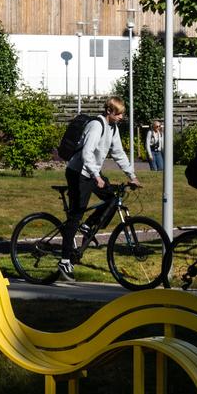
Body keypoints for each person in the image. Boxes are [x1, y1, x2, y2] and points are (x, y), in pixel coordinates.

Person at [59, 97, 142, 281]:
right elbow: (87, 153)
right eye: (119, 114)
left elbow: (119, 153)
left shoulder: (113, 128)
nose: (121, 117)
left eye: (122, 114)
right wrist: (96, 176)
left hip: (93, 172)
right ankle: (65, 260)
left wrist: (132, 176)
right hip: (79, 172)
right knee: (75, 215)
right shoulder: (97, 125)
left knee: (114, 198)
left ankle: (88, 226)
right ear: (109, 112)